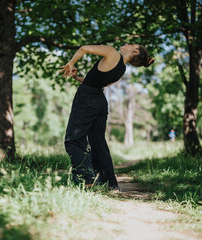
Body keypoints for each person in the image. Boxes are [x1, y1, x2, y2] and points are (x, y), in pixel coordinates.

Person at [60, 44, 155, 190]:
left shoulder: (112, 52)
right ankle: (109, 183)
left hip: (87, 98)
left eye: (131, 45)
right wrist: (76, 77)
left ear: (135, 51)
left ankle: (87, 180)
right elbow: (96, 82)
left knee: (73, 140)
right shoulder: (121, 69)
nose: (126, 44)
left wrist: (71, 63)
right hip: (99, 101)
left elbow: (84, 48)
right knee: (98, 142)